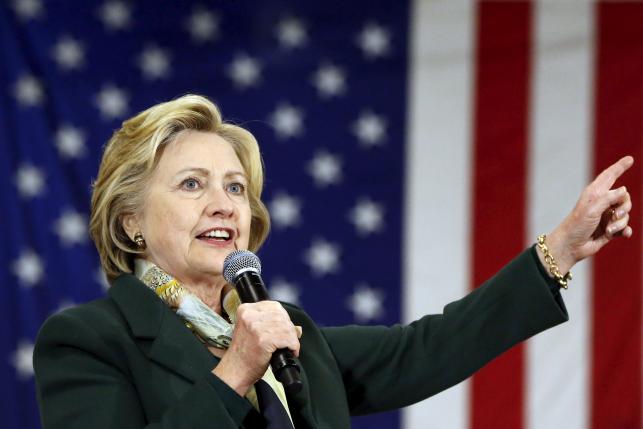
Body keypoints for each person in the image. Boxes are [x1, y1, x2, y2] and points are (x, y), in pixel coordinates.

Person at [33, 94, 634, 429]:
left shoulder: (291, 334)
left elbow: (426, 349)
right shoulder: (88, 342)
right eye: (192, 185)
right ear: (129, 221)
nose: (223, 205)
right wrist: (235, 370)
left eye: (236, 188)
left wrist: (559, 251)